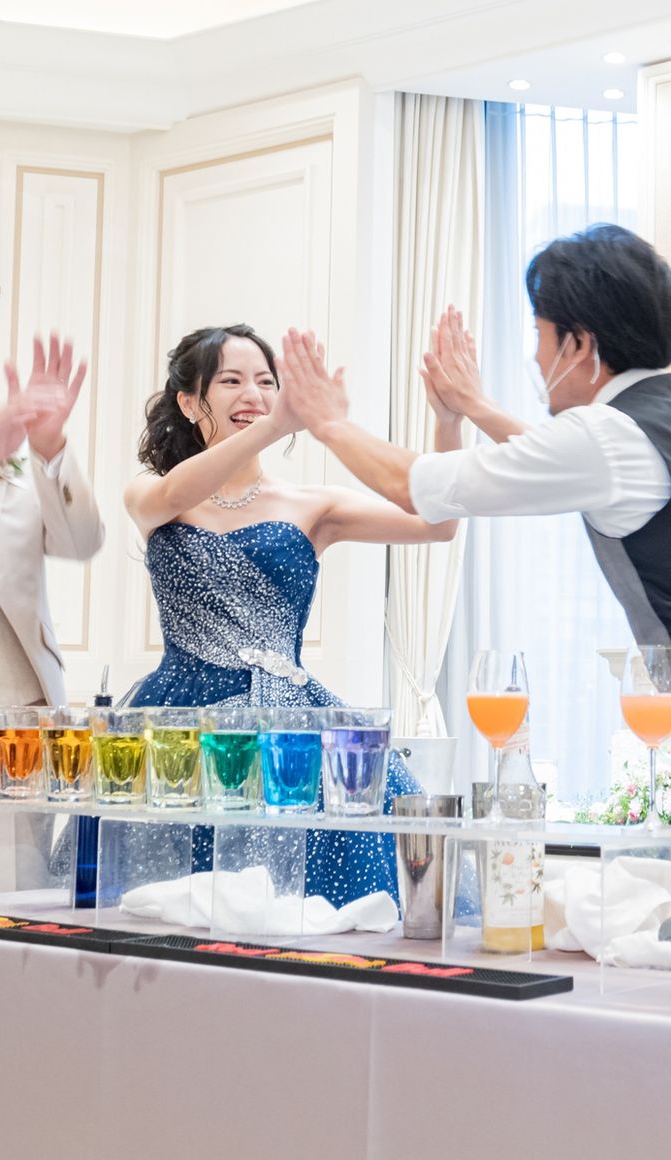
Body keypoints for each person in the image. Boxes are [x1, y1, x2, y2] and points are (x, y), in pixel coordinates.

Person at [276, 223, 671, 930]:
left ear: (580, 346)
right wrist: (473, 408)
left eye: (540, 335)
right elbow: (564, 464)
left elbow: (416, 487)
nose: (534, 357)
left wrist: (328, 423)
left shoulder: (609, 434)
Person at [123, 323, 458, 906]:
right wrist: (278, 424)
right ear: (188, 402)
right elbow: (174, 496)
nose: (252, 394)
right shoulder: (152, 494)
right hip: (179, 723)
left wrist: (448, 419)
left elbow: (439, 524)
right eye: (231, 381)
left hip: (288, 726)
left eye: (265, 381)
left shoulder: (312, 505)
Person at [0, 234, 104, 890]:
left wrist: (52, 447)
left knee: (7, 901)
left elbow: (81, 542)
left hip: (15, 707)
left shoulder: (17, 433)